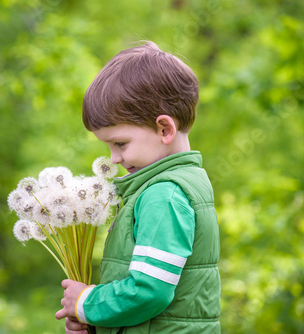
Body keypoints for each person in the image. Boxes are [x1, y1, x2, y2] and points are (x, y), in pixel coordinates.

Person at [55, 41, 221, 333]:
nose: (114, 158)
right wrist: (94, 320)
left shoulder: (164, 194)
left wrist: (86, 302)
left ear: (164, 129)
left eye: (120, 143)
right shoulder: (164, 187)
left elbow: (149, 291)